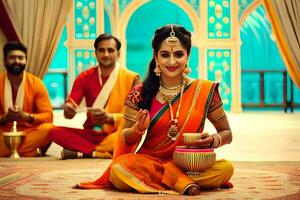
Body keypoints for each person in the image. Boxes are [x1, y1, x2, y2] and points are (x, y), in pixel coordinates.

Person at [75, 25, 234, 195]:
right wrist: (137, 130)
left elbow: (226, 133)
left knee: (225, 168)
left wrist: (212, 141)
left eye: (178, 54)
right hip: (148, 163)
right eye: (165, 55)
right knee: (119, 169)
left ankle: (172, 181)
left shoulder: (204, 90)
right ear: (156, 58)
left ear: (188, 56)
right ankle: (179, 182)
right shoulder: (140, 93)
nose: (172, 62)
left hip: (187, 164)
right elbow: (124, 139)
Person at [48, 34, 140, 159]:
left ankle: (89, 152)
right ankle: (103, 152)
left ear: (118, 54)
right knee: (53, 132)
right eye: (101, 50)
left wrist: (110, 118)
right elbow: (69, 114)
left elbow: (135, 118)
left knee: (130, 137)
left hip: (116, 133)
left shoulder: (132, 78)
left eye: (110, 50)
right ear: (95, 53)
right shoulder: (84, 77)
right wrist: (68, 109)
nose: (106, 54)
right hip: (91, 133)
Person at [0, 41, 53, 157]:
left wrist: (27, 117)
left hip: (28, 133)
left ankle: (12, 150)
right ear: (4, 61)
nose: (17, 61)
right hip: (3, 133)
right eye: (12, 58)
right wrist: (5, 118)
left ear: (26, 60)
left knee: (50, 129)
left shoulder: (36, 83)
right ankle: (29, 152)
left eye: (21, 58)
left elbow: (49, 116)